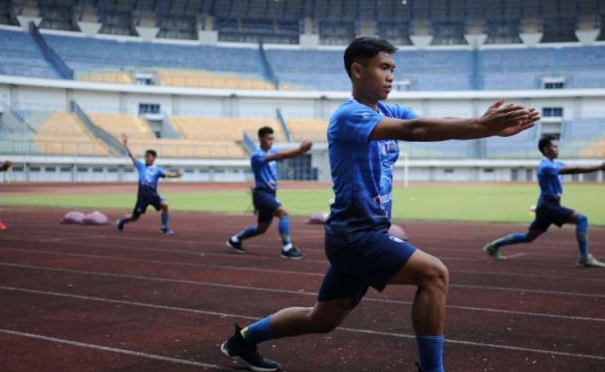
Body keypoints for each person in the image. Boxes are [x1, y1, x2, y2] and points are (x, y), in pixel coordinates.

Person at [219, 36, 539, 372]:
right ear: (357, 70)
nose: (391, 76)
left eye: (392, 69)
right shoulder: (348, 115)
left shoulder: (388, 110)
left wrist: (483, 129)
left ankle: (243, 340)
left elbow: (430, 125)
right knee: (434, 275)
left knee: (322, 318)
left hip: (362, 233)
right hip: (356, 235)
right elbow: (415, 129)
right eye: (383, 67)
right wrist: (480, 126)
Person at [483, 137, 605, 268]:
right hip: (548, 206)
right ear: (546, 149)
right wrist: (598, 167)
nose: (557, 149)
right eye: (554, 146)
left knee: (529, 237)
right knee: (582, 219)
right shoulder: (545, 166)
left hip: (546, 207)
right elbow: (572, 170)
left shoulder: (555, 164)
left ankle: (493, 246)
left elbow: (572, 167)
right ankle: (584, 257)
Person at [226, 126, 312, 259]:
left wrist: (301, 152)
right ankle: (287, 248)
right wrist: (300, 149)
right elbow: (280, 156)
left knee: (261, 229)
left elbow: (284, 156)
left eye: (272, 138)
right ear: (261, 138)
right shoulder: (256, 155)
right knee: (283, 213)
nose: (271, 141)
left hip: (270, 193)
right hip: (262, 194)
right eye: (268, 138)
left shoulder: (273, 151)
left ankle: (235, 240)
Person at [116, 134, 181, 234]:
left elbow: (166, 174)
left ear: (154, 158)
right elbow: (131, 156)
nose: (145, 158)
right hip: (143, 195)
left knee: (165, 205)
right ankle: (121, 221)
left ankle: (164, 227)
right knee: (134, 217)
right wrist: (125, 144)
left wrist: (176, 175)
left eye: (148, 156)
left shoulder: (157, 169)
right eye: (145, 156)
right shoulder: (141, 166)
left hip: (153, 193)